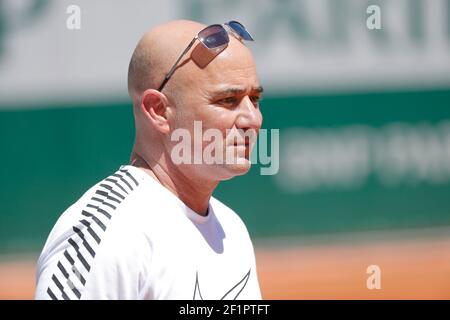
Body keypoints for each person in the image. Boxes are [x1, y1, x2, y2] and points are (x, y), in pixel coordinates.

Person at [35, 19, 264, 300]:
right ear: (158, 111)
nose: (252, 119)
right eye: (227, 100)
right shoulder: (108, 232)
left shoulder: (231, 229)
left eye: (254, 99)